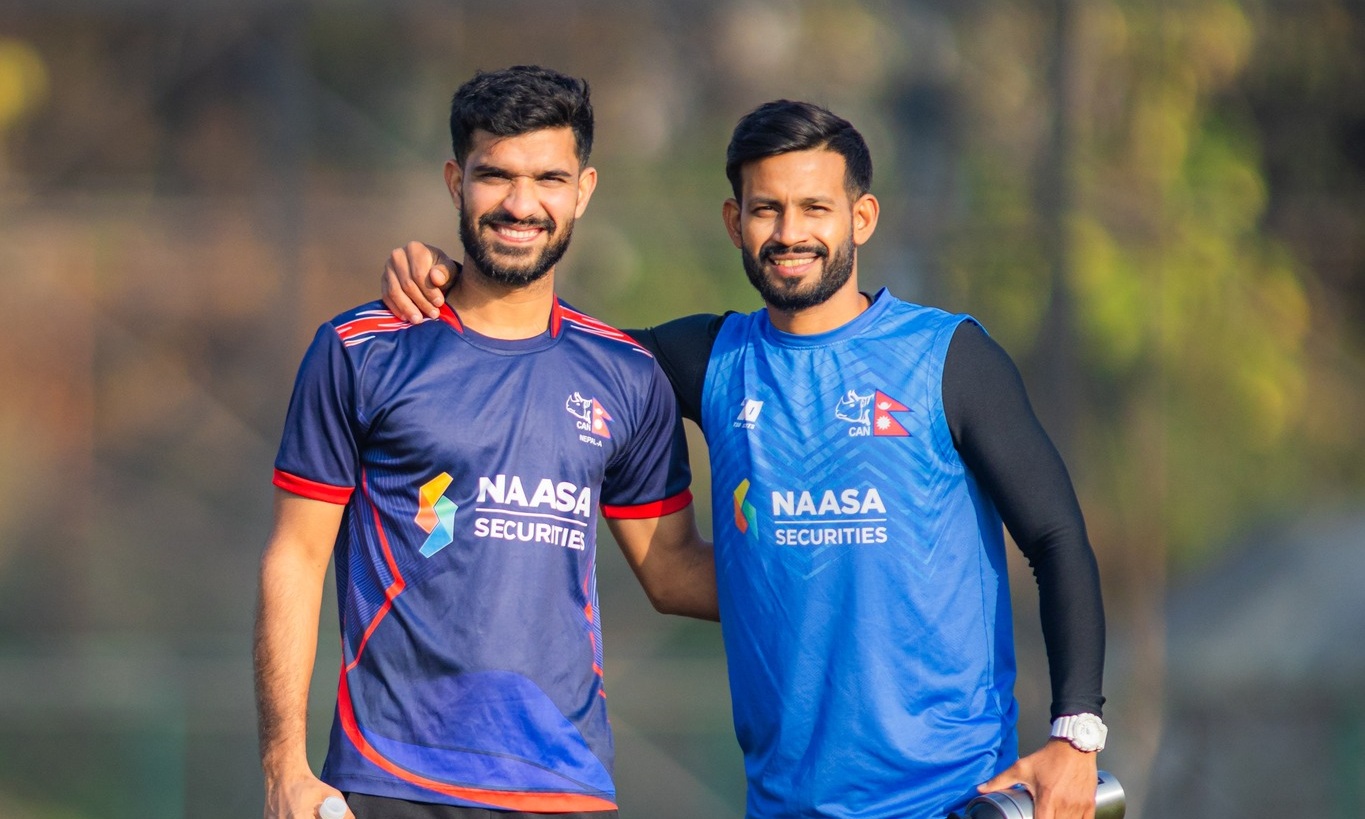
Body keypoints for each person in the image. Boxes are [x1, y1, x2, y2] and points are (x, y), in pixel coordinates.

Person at [382, 101, 1107, 819]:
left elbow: (1056, 539)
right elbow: (551, 347)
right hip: (779, 805)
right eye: (766, 210)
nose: (790, 233)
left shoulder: (948, 356)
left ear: (861, 218)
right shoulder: (707, 359)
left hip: (953, 798)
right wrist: (447, 279)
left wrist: (1075, 734)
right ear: (735, 222)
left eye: (814, 208)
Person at [254, 66, 717, 819]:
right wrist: (285, 767)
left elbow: (673, 574)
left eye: (548, 178)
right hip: (391, 782)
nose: (521, 204)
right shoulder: (361, 350)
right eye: (495, 175)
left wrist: (842, 578)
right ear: (455, 181)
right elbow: (295, 557)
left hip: (565, 789)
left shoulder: (628, 374)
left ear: (584, 190)